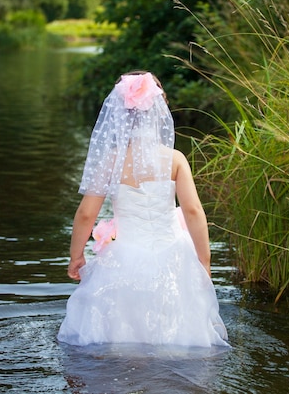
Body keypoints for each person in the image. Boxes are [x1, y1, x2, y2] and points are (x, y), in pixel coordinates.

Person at [57, 71, 229, 348]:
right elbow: (194, 211)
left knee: (119, 337)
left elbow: (86, 214)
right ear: (160, 109)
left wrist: (76, 255)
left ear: (119, 113)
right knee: (176, 338)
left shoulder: (110, 161)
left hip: (123, 260)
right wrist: (204, 263)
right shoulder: (174, 159)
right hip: (174, 258)